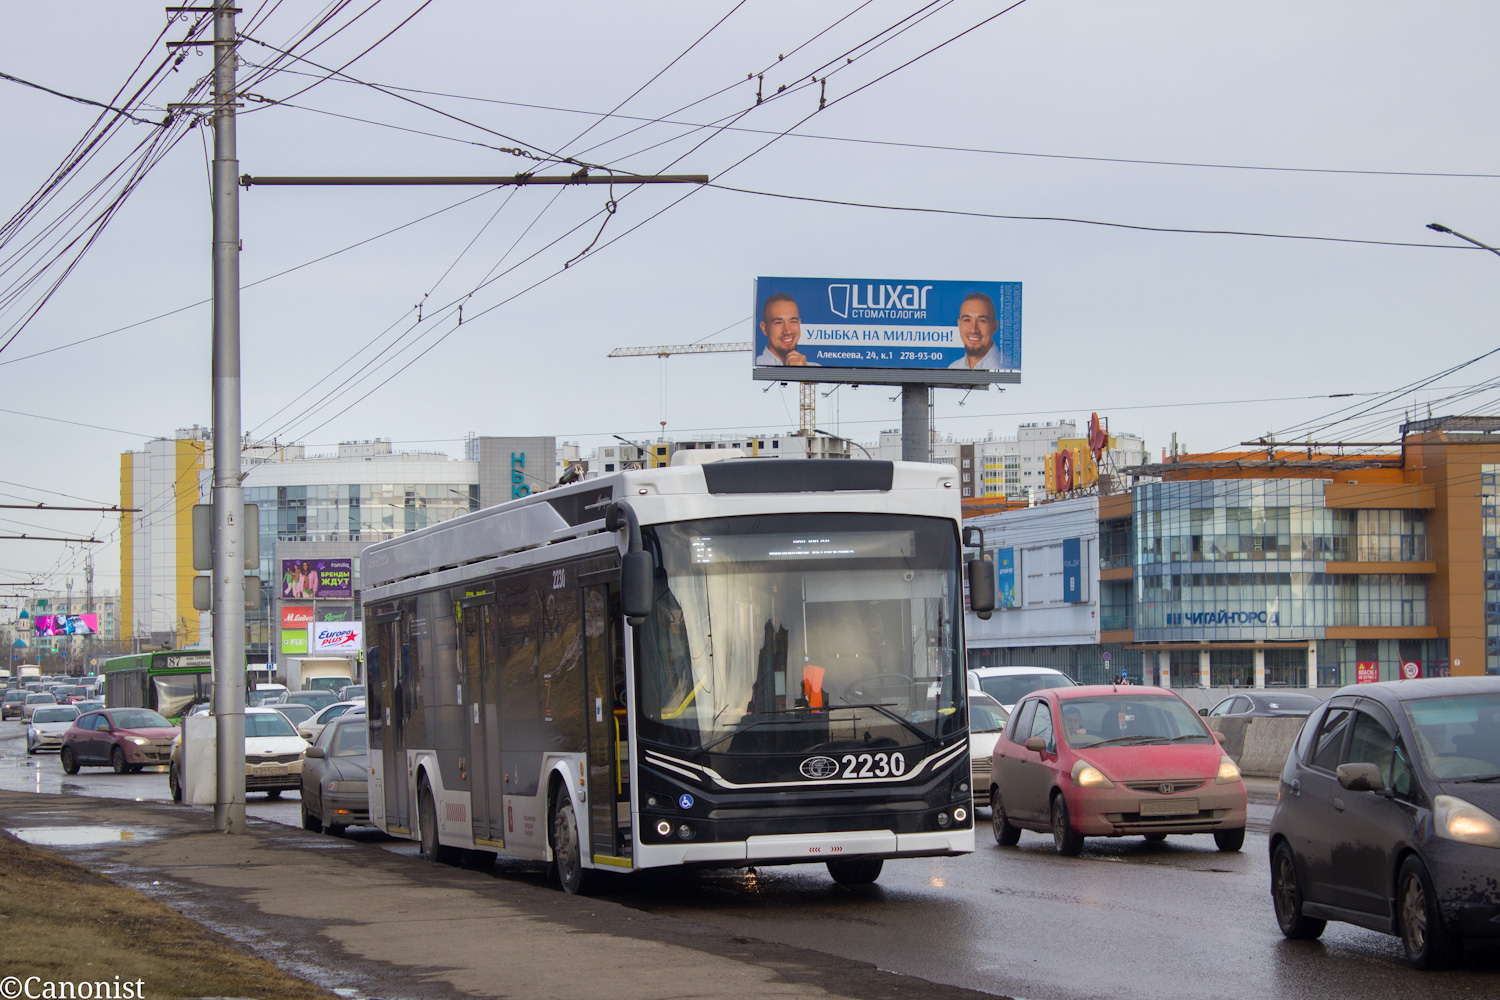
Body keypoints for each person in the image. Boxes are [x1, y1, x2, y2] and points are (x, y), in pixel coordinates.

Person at [755, 293, 818, 366]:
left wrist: (804, 374)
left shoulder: (816, 369)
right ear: (764, 328)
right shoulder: (754, 367)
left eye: (793, 321)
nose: (787, 331)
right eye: (778, 322)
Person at [948, 292, 1005, 371]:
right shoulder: (953, 368)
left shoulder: (1006, 367)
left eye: (982, 321)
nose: (973, 329)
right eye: (967, 320)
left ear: (994, 327)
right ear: (959, 325)